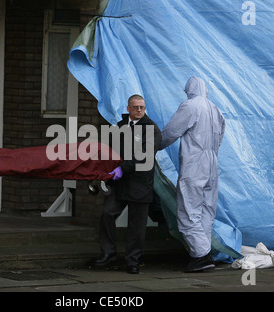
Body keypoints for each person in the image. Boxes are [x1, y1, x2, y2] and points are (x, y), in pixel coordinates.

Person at [160, 77, 225, 272]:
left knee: (189, 209)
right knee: (207, 209)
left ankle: (201, 255)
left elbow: (172, 131)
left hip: (195, 161)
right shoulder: (216, 109)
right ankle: (204, 253)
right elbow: (220, 135)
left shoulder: (190, 106)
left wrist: (154, 145)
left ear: (189, 89)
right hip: (212, 161)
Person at [92, 94, 162, 274]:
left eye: (142, 107)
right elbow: (110, 151)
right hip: (120, 183)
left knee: (136, 226)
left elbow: (144, 154)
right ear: (128, 108)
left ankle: (133, 261)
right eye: (136, 107)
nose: (139, 110)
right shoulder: (120, 127)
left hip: (140, 182)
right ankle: (108, 254)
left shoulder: (152, 129)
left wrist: (123, 167)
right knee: (107, 214)